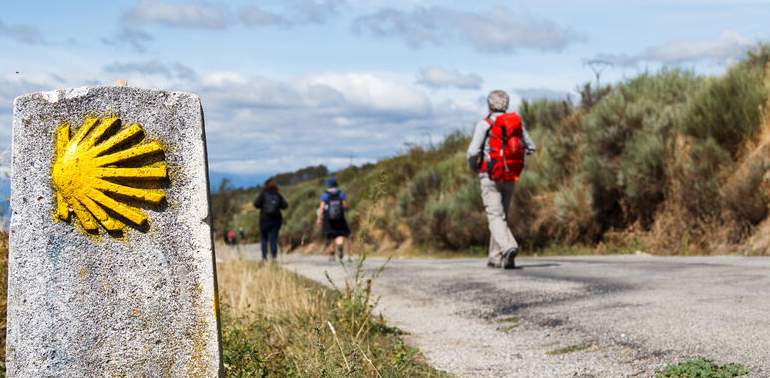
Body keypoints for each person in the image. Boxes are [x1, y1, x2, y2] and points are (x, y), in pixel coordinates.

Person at [467, 90, 536, 269]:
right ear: (506, 104)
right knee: (501, 217)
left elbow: (473, 152)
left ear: (489, 105)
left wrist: (474, 166)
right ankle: (495, 258)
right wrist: (513, 159)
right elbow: (531, 147)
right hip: (510, 176)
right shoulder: (516, 124)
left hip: (489, 175)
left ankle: (508, 247)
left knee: (495, 216)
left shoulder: (485, 124)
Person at [253, 178, 288, 261]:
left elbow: (256, 204)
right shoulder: (277, 194)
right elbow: (285, 205)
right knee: (273, 238)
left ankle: (264, 258)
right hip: (276, 219)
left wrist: (263, 206)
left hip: (264, 219)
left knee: (264, 238)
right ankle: (273, 257)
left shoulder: (263, 194)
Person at [316, 177, 350, 261]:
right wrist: (341, 208)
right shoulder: (341, 193)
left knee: (330, 235)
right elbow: (345, 206)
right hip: (339, 217)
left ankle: (332, 254)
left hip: (328, 218)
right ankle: (340, 246)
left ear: (328, 185)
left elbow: (322, 207)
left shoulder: (325, 194)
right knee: (339, 234)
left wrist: (319, 218)